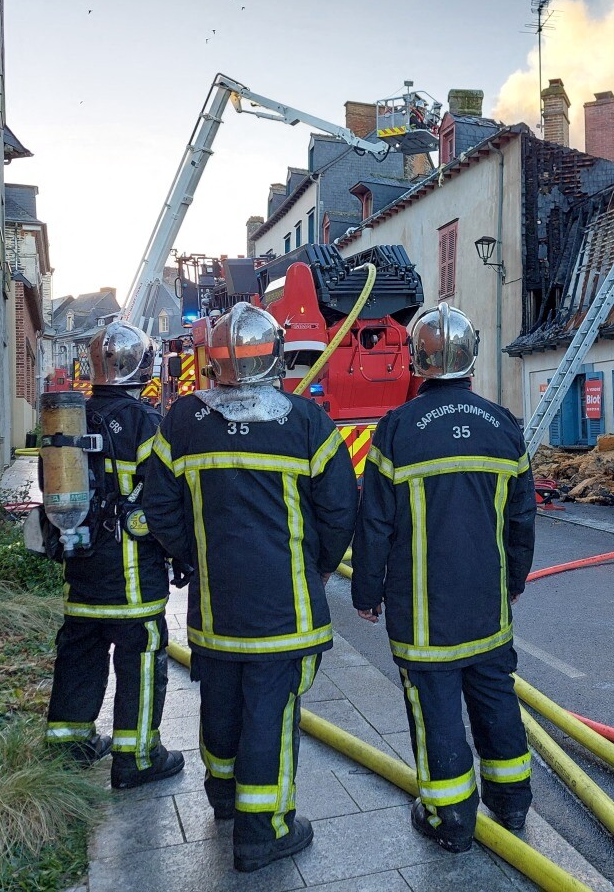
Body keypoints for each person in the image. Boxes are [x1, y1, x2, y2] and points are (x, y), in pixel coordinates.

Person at [141, 303, 357, 873]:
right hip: (286, 610)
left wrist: (195, 555)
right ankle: (264, 832)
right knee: (270, 711)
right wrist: (319, 566)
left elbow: (159, 506)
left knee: (221, 702)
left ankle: (224, 800)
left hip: (215, 610)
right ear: (276, 354)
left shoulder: (184, 421)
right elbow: (340, 510)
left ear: (215, 361)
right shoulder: (306, 422)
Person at [352, 303, 536, 854]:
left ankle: (450, 819)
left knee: (435, 711)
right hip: (488, 606)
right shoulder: (504, 426)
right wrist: (516, 579)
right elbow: (521, 518)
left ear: (416, 360)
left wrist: (366, 591)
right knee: (496, 699)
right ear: (472, 359)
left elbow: (375, 523)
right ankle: (512, 803)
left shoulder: (397, 430)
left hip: (423, 613)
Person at [41, 320, 185, 789]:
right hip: (131, 576)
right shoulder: (147, 423)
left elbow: (52, 487)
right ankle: (137, 757)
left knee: (80, 650)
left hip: (79, 565)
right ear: (141, 367)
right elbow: (165, 500)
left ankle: (68, 744)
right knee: (140, 656)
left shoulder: (69, 418)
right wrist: (182, 553)